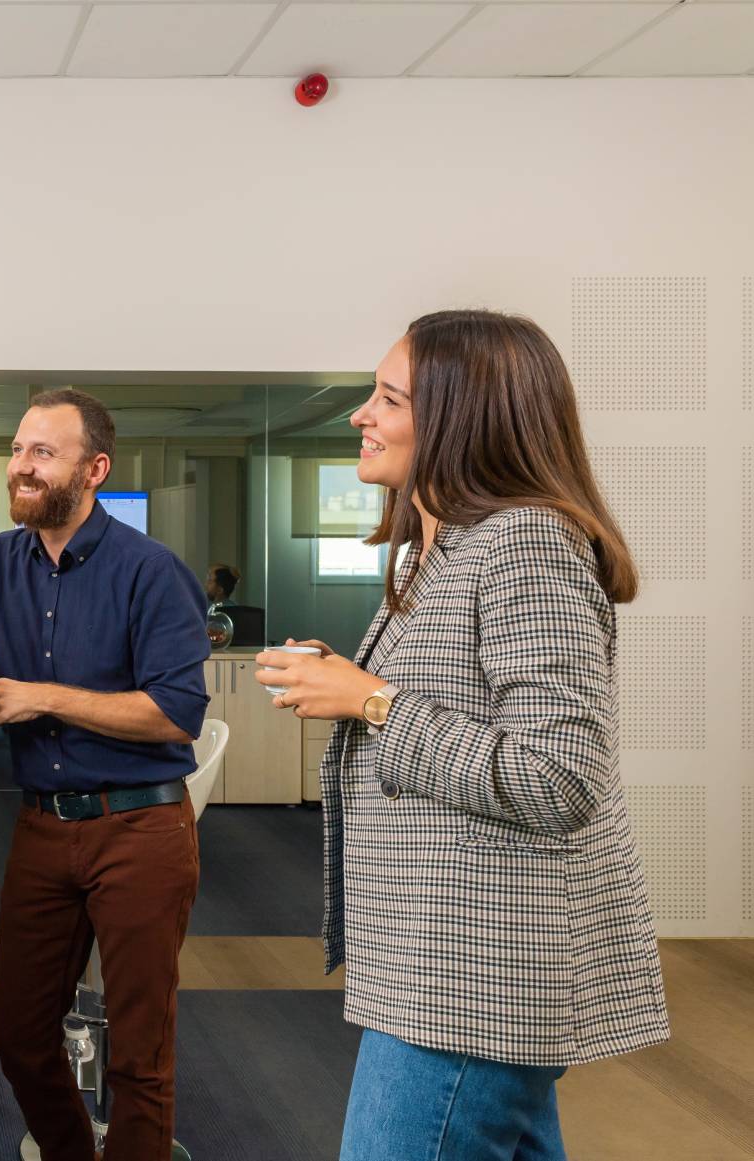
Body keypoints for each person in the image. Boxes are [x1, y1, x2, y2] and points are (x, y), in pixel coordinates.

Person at [255, 310, 668, 1160]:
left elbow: (559, 776)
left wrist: (373, 700)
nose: (360, 414)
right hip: (441, 961)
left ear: (460, 418)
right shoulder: (437, 549)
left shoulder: (525, 543)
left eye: (388, 398)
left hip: (473, 976)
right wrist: (353, 685)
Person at [0, 388, 210, 1161]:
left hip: (141, 827)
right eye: (17, 450)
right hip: (44, 829)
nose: (21, 467)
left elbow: (176, 713)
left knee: (139, 1054)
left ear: (95, 470)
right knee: (19, 1035)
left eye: (43, 453)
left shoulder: (152, 572)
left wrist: (44, 697)